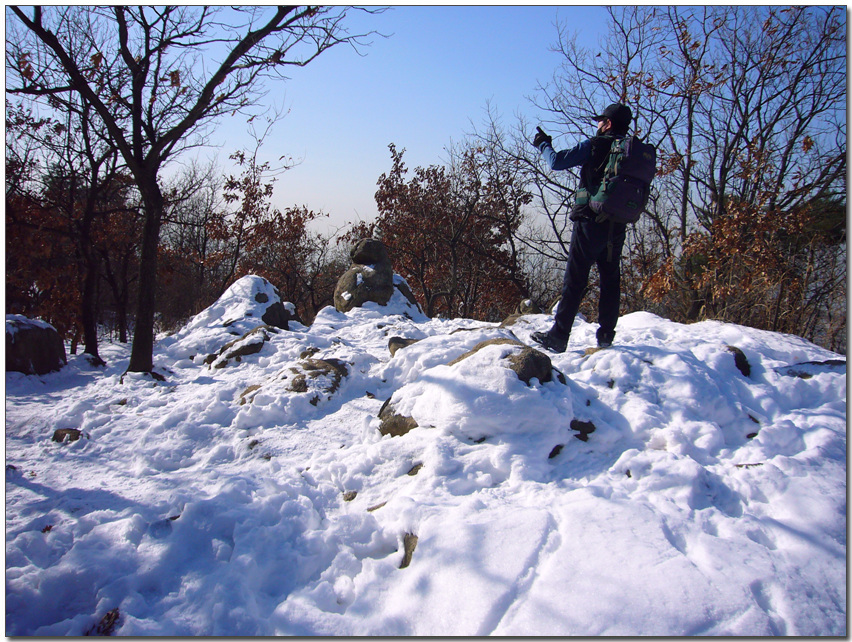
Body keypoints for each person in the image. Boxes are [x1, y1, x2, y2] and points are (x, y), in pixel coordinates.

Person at [530, 103, 633, 353]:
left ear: (607, 124)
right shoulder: (630, 151)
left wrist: (543, 144)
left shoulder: (596, 145)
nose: (598, 125)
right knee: (610, 280)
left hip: (590, 223)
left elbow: (556, 162)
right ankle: (606, 335)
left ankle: (559, 335)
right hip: (617, 225)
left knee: (575, 280)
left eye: (601, 121)